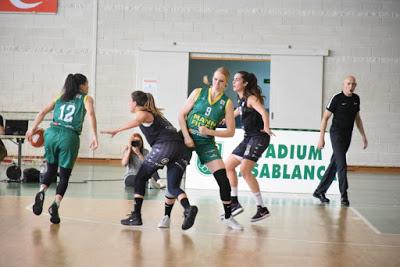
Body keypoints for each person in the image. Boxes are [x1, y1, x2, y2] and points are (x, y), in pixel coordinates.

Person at [101, 91, 198, 230]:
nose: (129, 103)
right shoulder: (157, 115)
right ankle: (188, 209)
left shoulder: (144, 113)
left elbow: (137, 120)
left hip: (165, 146)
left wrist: (116, 130)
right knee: (172, 186)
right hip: (180, 150)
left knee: (140, 178)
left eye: (130, 101)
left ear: (135, 103)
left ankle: (136, 216)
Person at [26, 73, 98, 224]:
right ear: (82, 85)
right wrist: (95, 136)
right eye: (87, 84)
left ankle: (41, 192)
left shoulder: (60, 96)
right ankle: (55, 205)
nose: (88, 86)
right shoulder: (86, 98)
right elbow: (90, 114)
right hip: (69, 136)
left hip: (51, 133)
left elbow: (43, 112)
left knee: (50, 169)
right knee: (64, 175)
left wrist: (32, 129)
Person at [179, 67, 243, 230]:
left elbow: (231, 131)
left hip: (206, 142)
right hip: (187, 138)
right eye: (215, 79)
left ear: (226, 84)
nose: (217, 83)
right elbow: (181, 115)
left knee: (224, 181)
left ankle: (228, 217)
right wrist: (186, 137)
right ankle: (169, 215)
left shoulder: (227, 103)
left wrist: (209, 132)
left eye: (221, 81)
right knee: (175, 176)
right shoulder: (198, 92)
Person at [224, 71, 274, 222]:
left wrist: (266, 127)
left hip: (259, 137)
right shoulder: (241, 100)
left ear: (245, 83)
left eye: (237, 79)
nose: (234, 82)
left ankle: (262, 208)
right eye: (233, 79)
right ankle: (234, 203)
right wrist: (222, 119)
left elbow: (264, 113)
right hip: (248, 138)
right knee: (228, 166)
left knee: (245, 170)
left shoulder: (251, 98)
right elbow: (237, 112)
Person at [313, 75, 368, 206]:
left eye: (353, 84)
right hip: (336, 134)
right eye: (348, 84)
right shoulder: (336, 98)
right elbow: (325, 118)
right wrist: (321, 138)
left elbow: (357, 118)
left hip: (347, 135)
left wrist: (363, 136)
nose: (351, 86)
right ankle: (344, 195)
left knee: (335, 163)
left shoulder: (356, 99)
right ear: (344, 85)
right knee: (342, 164)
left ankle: (319, 191)